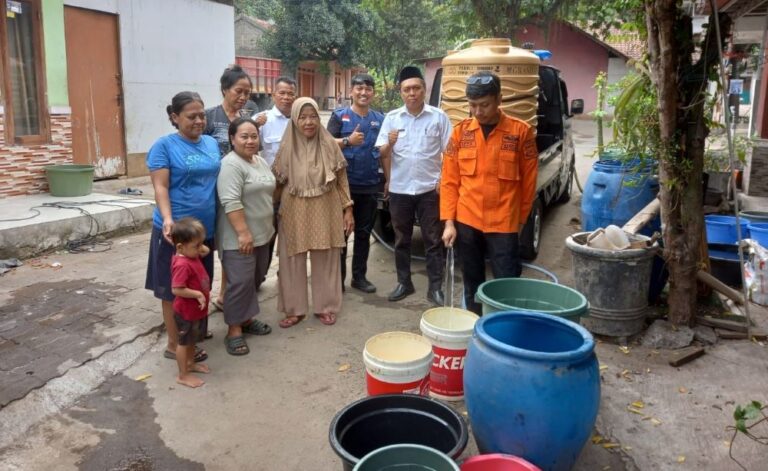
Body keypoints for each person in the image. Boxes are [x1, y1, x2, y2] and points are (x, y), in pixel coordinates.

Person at [440, 71, 538, 315]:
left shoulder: (520, 132)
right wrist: (449, 223)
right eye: (472, 105)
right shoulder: (460, 133)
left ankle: (504, 326)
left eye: (484, 105)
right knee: (471, 281)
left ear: (499, 100)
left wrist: (520, 222)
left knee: (506, 282)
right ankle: (475, 322)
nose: (478, 111)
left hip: (504, 221)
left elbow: (529, 184)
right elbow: (449, 181)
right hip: (467, 220)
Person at [145, 91, 220, 364]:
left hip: (204, 232)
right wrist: (168, 219)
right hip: (176, 234)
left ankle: (192, 334)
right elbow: (161, 187)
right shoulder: (164, 146)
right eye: (192, 117)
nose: (199, 121)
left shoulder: (211, 143)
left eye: (202, 115)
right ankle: (174, 343)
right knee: (173, 289)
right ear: (175, 117)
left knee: (200, 283)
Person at [272, 97, 354, 328]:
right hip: (293, 208)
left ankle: (326, 307)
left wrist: (348, 209)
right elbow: (276, 182)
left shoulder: (329, 144)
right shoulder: (286, 146)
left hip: (326, 206)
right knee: (291, 259)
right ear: (294, 119)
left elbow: (341, 179)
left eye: (313, 117)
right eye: (303, 117)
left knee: (326, 257)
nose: (308, 122)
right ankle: (294, 309)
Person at [376, 65, 452, 306]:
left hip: (430, 190)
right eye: (407, 89)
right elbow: (382, 153)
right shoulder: (392, 119)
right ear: (401, 92)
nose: (412, 93)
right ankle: (404, 282)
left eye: (416, 88)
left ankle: (435, 287)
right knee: (402, 240)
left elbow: (450, 154)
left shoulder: (438, 117)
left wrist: (442, 180)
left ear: (424, 89)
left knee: (433, 239)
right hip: (400, 190)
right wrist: (389, 143)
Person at [216, 118, 275, 356]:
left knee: (254, 279)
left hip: (262, 234)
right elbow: (230, 201)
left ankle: (247, 319)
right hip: (239, 237)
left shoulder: (260, 161)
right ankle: (234, 330)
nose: (250, 141)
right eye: (244, 136)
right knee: (239, 282)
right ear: (232, 139)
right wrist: (243, 233)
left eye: (254, 136)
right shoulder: (231, 165)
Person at [204, 65, 260, 312]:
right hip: (213, 191)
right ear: (224, 89)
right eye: (239, 91)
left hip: (242, 191)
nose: (243, 97)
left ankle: (225, 294)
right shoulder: (208, 117)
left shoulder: (246, 119)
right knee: (220, 243)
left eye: (247, 92)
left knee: (235, 244)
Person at [327, 73, 384, 293]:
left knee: (363, 234)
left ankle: (359, 278)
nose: (363, 92)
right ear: (351, 91)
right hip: (343, 188)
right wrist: (347, 141)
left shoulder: (379, 119)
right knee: (341, 235)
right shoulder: (339, 116)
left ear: (373, 93)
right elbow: (324, 144)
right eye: (359, 88)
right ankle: (338, 281)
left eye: (368, 89)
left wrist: (387, 180)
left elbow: (384, 152)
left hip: (369, 186)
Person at [255, 76, 298, 271]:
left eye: (290, 94)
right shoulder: (262, 120)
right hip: (269, 191)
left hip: (294, 189)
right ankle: (261, 275)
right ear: (274, 95)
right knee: (267, 235)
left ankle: (287, 276)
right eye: (282, 93)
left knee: (291, 235)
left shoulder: (300, 119)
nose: (286, 97)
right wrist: (256, 126)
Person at [170, 217, 212, 388]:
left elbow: (206, 251)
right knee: (183, 343)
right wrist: (197, 294)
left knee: (192, 340)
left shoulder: (191, 254)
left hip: (196, 311)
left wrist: (199, 245)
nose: (200, 248)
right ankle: (183, 375)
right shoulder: (182, 264)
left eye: (201, 243)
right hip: (186, 312)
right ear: (180, 247)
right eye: (196, 245)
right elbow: (176, 289)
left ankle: (190, 363)